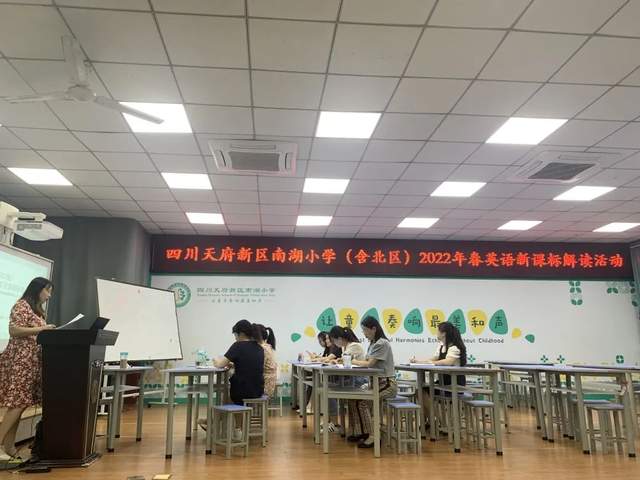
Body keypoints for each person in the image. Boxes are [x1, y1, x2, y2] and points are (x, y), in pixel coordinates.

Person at [0, 277, 55, 461]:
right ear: (37, 289)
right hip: (20, 362)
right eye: (47, 291)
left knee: (21, 404)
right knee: (17, 404)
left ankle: (9, 447)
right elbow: (14, 330)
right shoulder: (21, 305)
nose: (49, 296)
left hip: (31, 362)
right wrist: (42, 329)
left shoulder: (36, 310)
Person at [351, 316, 398, 448]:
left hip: (387, 384)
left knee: (362, 402)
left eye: (365, 330)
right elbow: (367, 362)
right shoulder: (373, 343)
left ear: (374, 329)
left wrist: (353, 361)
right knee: (355, 400)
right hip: (376, 383)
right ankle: (364, 432)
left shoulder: (381, 343)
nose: (364, 333)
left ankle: (373, 436)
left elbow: (370, 364)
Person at [410, 321, 467, 428]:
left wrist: (432, 363)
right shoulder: (441, 346)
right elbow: (433, 358)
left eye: (438, 330)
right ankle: (432, 421)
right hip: (442, 383)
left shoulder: (455, 347)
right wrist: (419, 362)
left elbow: (448, 361)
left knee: (423, 392)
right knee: (420, 391)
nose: (436, 333)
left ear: (444, 333)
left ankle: (442, 422)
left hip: (454, 385)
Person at [328, 326, 366, 439]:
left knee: (329, 390)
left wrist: (337, 361)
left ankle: (335, 423)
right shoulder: (347, 347)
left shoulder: (354, 345)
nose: (334, 343)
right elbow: (343, 360)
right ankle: (336, 424)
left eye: (334, 340)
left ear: (339, 338)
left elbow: (344, 359)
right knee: (329, 388)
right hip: (353, 378)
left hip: (360, 380)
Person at [214, 320, 264, 405]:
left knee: (226, 390)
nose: (235, 338)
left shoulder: (237, 346)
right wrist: (234, 365)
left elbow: (219, 365)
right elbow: (249, 364)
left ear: (241, 333)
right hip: (258, 391)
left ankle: (227, 412)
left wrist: (214, 360)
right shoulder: (259, 347)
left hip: (241, 392)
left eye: (235, 335)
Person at [253, 324, 277, 399]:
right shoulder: (267, 346)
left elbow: (259, 367)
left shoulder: (262, 348)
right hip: (269, 381)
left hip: (265, 385)